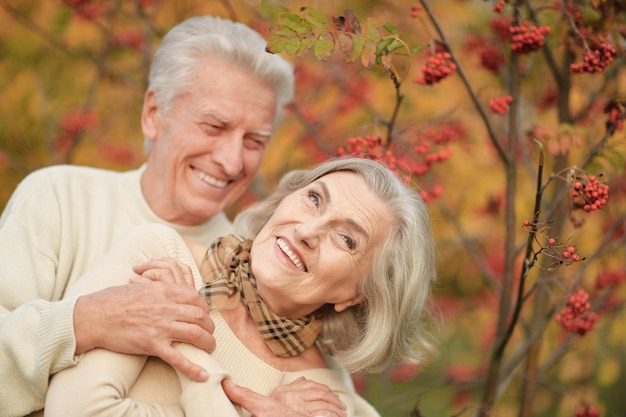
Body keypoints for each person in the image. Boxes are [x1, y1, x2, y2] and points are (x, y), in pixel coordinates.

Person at [0, 15, 359, 417]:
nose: (230, 160)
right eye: (213, 126)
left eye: (254, 141)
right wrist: (83, 322)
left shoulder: (260, 272)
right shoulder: (58, 196)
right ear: (153, 113)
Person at [43, 157, 438, 417]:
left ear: (355, 294)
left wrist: (188, 350)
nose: (306, 231)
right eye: (314, 199)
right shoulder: (162, 256)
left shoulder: (323, 399)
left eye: (347, 239)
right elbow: (74, 410)